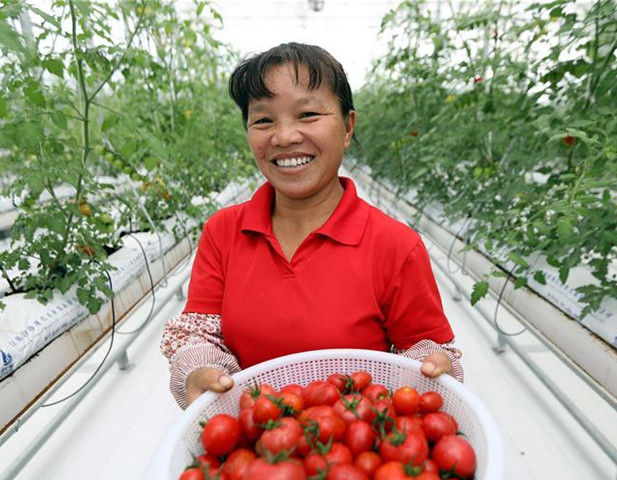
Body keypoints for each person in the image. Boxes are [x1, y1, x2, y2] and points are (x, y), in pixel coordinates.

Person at [160, 43, 463, 408]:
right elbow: (200, 333)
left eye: (307, 114)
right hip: (257, 436)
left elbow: (425, 349)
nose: (284, 136)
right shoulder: (224, 231)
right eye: (263, 120)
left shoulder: (395, 245)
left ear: (348, 127)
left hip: (357, 443)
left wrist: (431, 368)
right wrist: (199, 370)